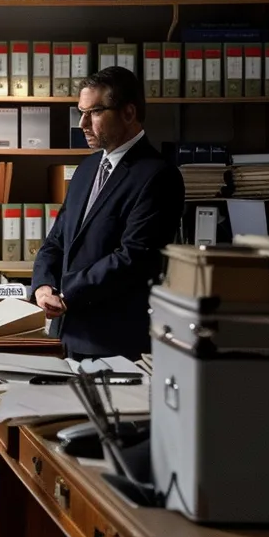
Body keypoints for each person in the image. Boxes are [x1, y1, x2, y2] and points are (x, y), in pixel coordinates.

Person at [32, 66, 185, 360]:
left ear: (128, 113)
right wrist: (43, 286)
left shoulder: (158, 175)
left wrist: (67, 294)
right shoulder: (87, 169)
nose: (83, 124)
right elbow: (57, 240)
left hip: (115, 343)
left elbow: (135, 257)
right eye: (81, 112)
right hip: (66, 334)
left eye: (95, 112)